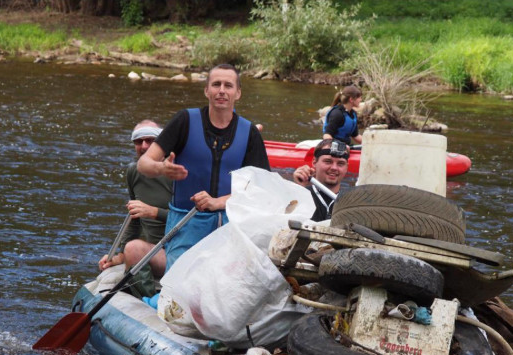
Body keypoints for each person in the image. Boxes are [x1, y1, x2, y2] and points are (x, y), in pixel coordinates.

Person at [138, 63, 271, 279]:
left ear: (237, 93)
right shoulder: (185, 121)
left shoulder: (249, 133)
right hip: (185, 223)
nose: (221, 90)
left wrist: (218, 202)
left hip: (230, 226)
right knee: (181, 284)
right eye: (216, 84)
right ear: (206, 90)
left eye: (228, 85)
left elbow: (260, 188)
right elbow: (144, 164)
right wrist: (161, 167)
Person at [98, 120, 172, 298]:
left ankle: (150, 301)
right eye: (139, 142)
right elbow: (134, 218)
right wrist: (119, 256)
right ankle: (145, 297)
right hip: (156, 252)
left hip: (180, 252)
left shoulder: (175, 173)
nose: (144, 146)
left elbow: (195, 220)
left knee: (134, 248)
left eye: (150, 141)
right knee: (130, 249)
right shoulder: (134, 172)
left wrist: (154, 212)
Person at [293, 139, 349, 221]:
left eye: (340, 163)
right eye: (328, 161)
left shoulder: (352, 201)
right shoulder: (300, 193)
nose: (334, 168)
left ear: (346, 167)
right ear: (314, 162)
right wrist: (299, 188)